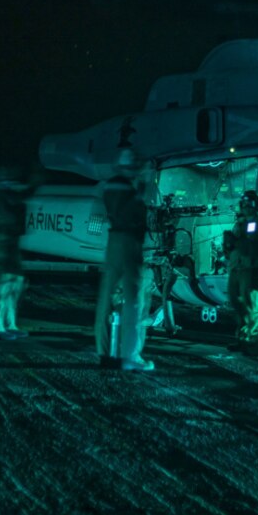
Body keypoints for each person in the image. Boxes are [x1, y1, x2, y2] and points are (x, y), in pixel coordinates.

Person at [95, 148, 154, 372]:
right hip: (129, 242)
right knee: (135, 300)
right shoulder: (127, 187)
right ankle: (131, 355)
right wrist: (142, 189)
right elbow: (130, 213)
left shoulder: (109, 185)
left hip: (114, 241)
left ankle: (106, 353)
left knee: (108, 297)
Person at [0, 166, 32, 340]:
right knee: (3, 289)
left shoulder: (6, 196)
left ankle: (9, 324)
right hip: (4, 245)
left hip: (10, 245)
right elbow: (11, 217)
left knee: (13, 288)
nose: (9, 181)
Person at [224, 189, 258, 352]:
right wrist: (229, 246)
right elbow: (235, 246)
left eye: (249, 204)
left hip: (249, 268)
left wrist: (235, 241)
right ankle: (243, 337)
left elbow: (253, 246)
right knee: (236, 301)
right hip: (236, 267)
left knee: (250, 303)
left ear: (256, 206)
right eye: (243, 204)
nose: (246, 207)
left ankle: (256, 338)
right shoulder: (241, 223)